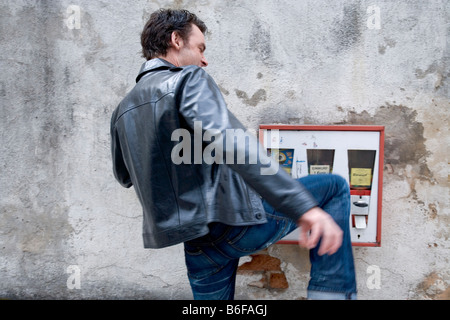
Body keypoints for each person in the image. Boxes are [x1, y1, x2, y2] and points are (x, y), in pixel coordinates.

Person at [110, 8, 357, 300]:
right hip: (235, 225)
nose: (204, 59)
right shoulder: (188, 79)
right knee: (335, 186)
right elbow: (232, 142)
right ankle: (331, 295)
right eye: (200, 48)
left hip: (196, 243)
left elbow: (126, 176)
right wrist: (304, 207)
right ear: (176, 40)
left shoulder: (122, 110)